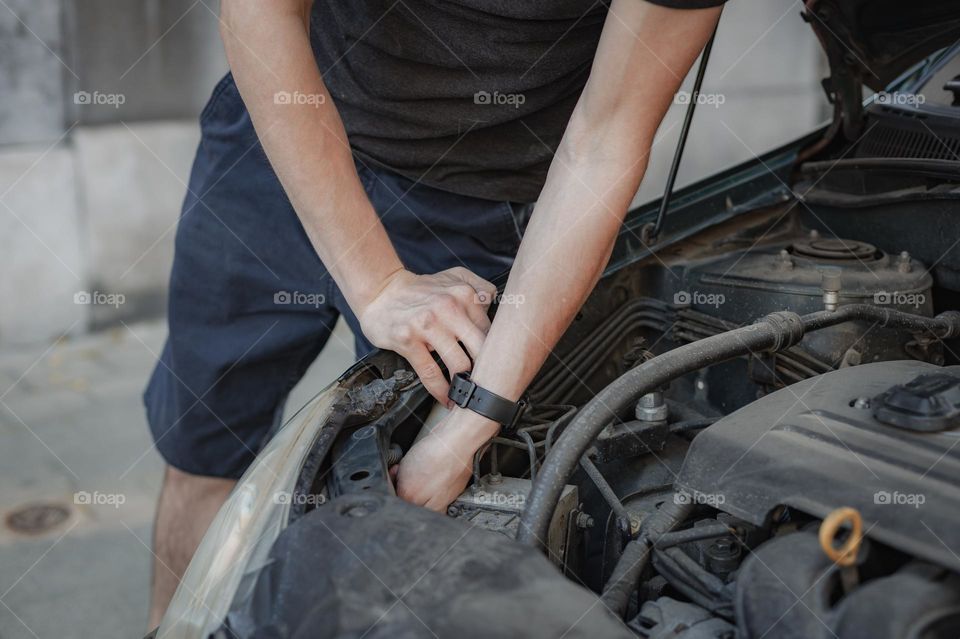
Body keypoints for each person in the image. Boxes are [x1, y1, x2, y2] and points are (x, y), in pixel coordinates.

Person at [144, 0, 724, 627]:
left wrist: (472, 423)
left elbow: (607, 141)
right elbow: (259, 13)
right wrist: (378, 284)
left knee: (420, 500)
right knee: (203, 455)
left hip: (472, 202)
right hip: (277, 136)